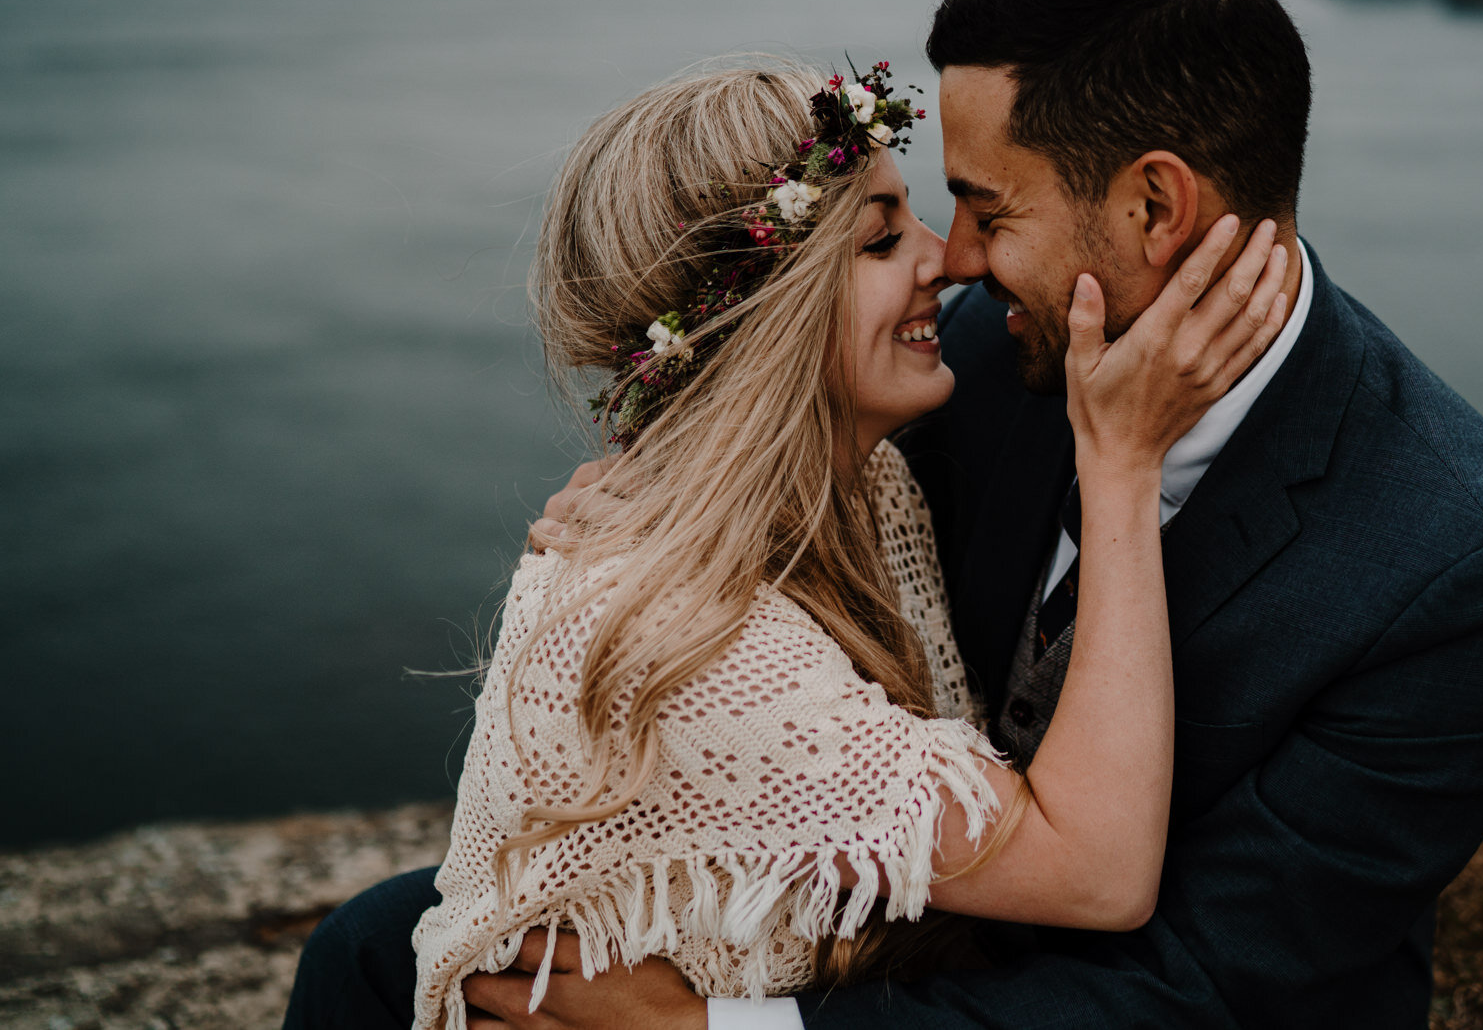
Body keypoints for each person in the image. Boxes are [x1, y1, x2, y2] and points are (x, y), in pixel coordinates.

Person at [294, 0, 1483, 1029]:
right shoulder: (975, 352)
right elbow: (767, 422)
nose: (954, 259)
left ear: (1154, 206)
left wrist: (727, 1024)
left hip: (1149, 998)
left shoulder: (1464, 563)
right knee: (384, 951)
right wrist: (650, 495)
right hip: (908, 907)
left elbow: (1213, 988)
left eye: (988, 207)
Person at [284, 61, 1288, 1029]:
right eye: (881, 241)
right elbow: (1094, 873)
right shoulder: (691, 640)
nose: (947, 259)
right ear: (767, 314)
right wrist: (1120, 463)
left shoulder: (866, 488)